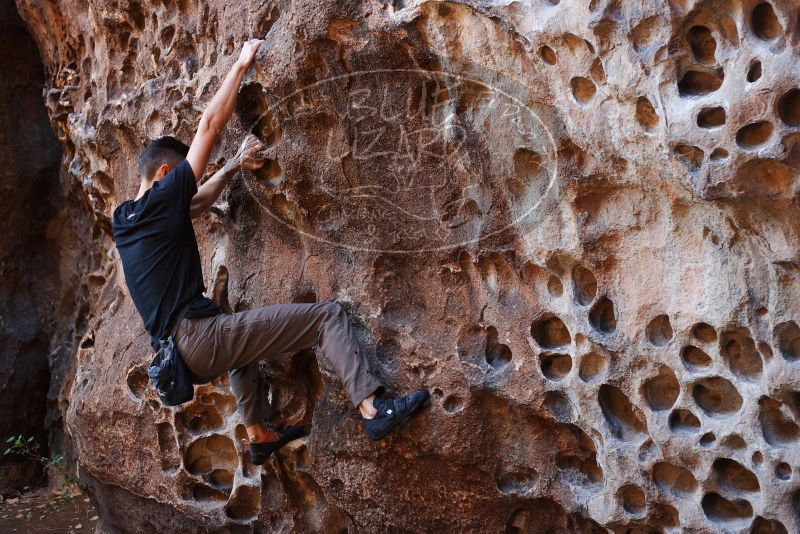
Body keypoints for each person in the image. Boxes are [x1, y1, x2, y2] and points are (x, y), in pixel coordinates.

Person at [110, 39, 429, 465]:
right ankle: (373, 408)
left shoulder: (125, 218)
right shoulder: (164, 197)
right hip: (200, 340)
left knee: (240, 345)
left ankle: (259, 433)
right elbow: (209, 125)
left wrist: (230, 167)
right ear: (166, 174)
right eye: (181, 177)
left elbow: (196, 204)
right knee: (326, 316)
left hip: (183, 358)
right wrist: (240, 64)